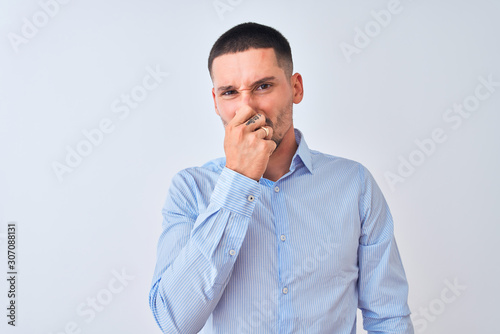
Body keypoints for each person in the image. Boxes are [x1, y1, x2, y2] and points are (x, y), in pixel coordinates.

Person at [149, 22, 414, 333]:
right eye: (230, 92)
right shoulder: (190, 190)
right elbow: (174, 322)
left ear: (296, 88)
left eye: (263, 86)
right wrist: (238, 179)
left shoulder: (354, 184)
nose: (247, 107)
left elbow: (389, 317)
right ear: (216, 102)